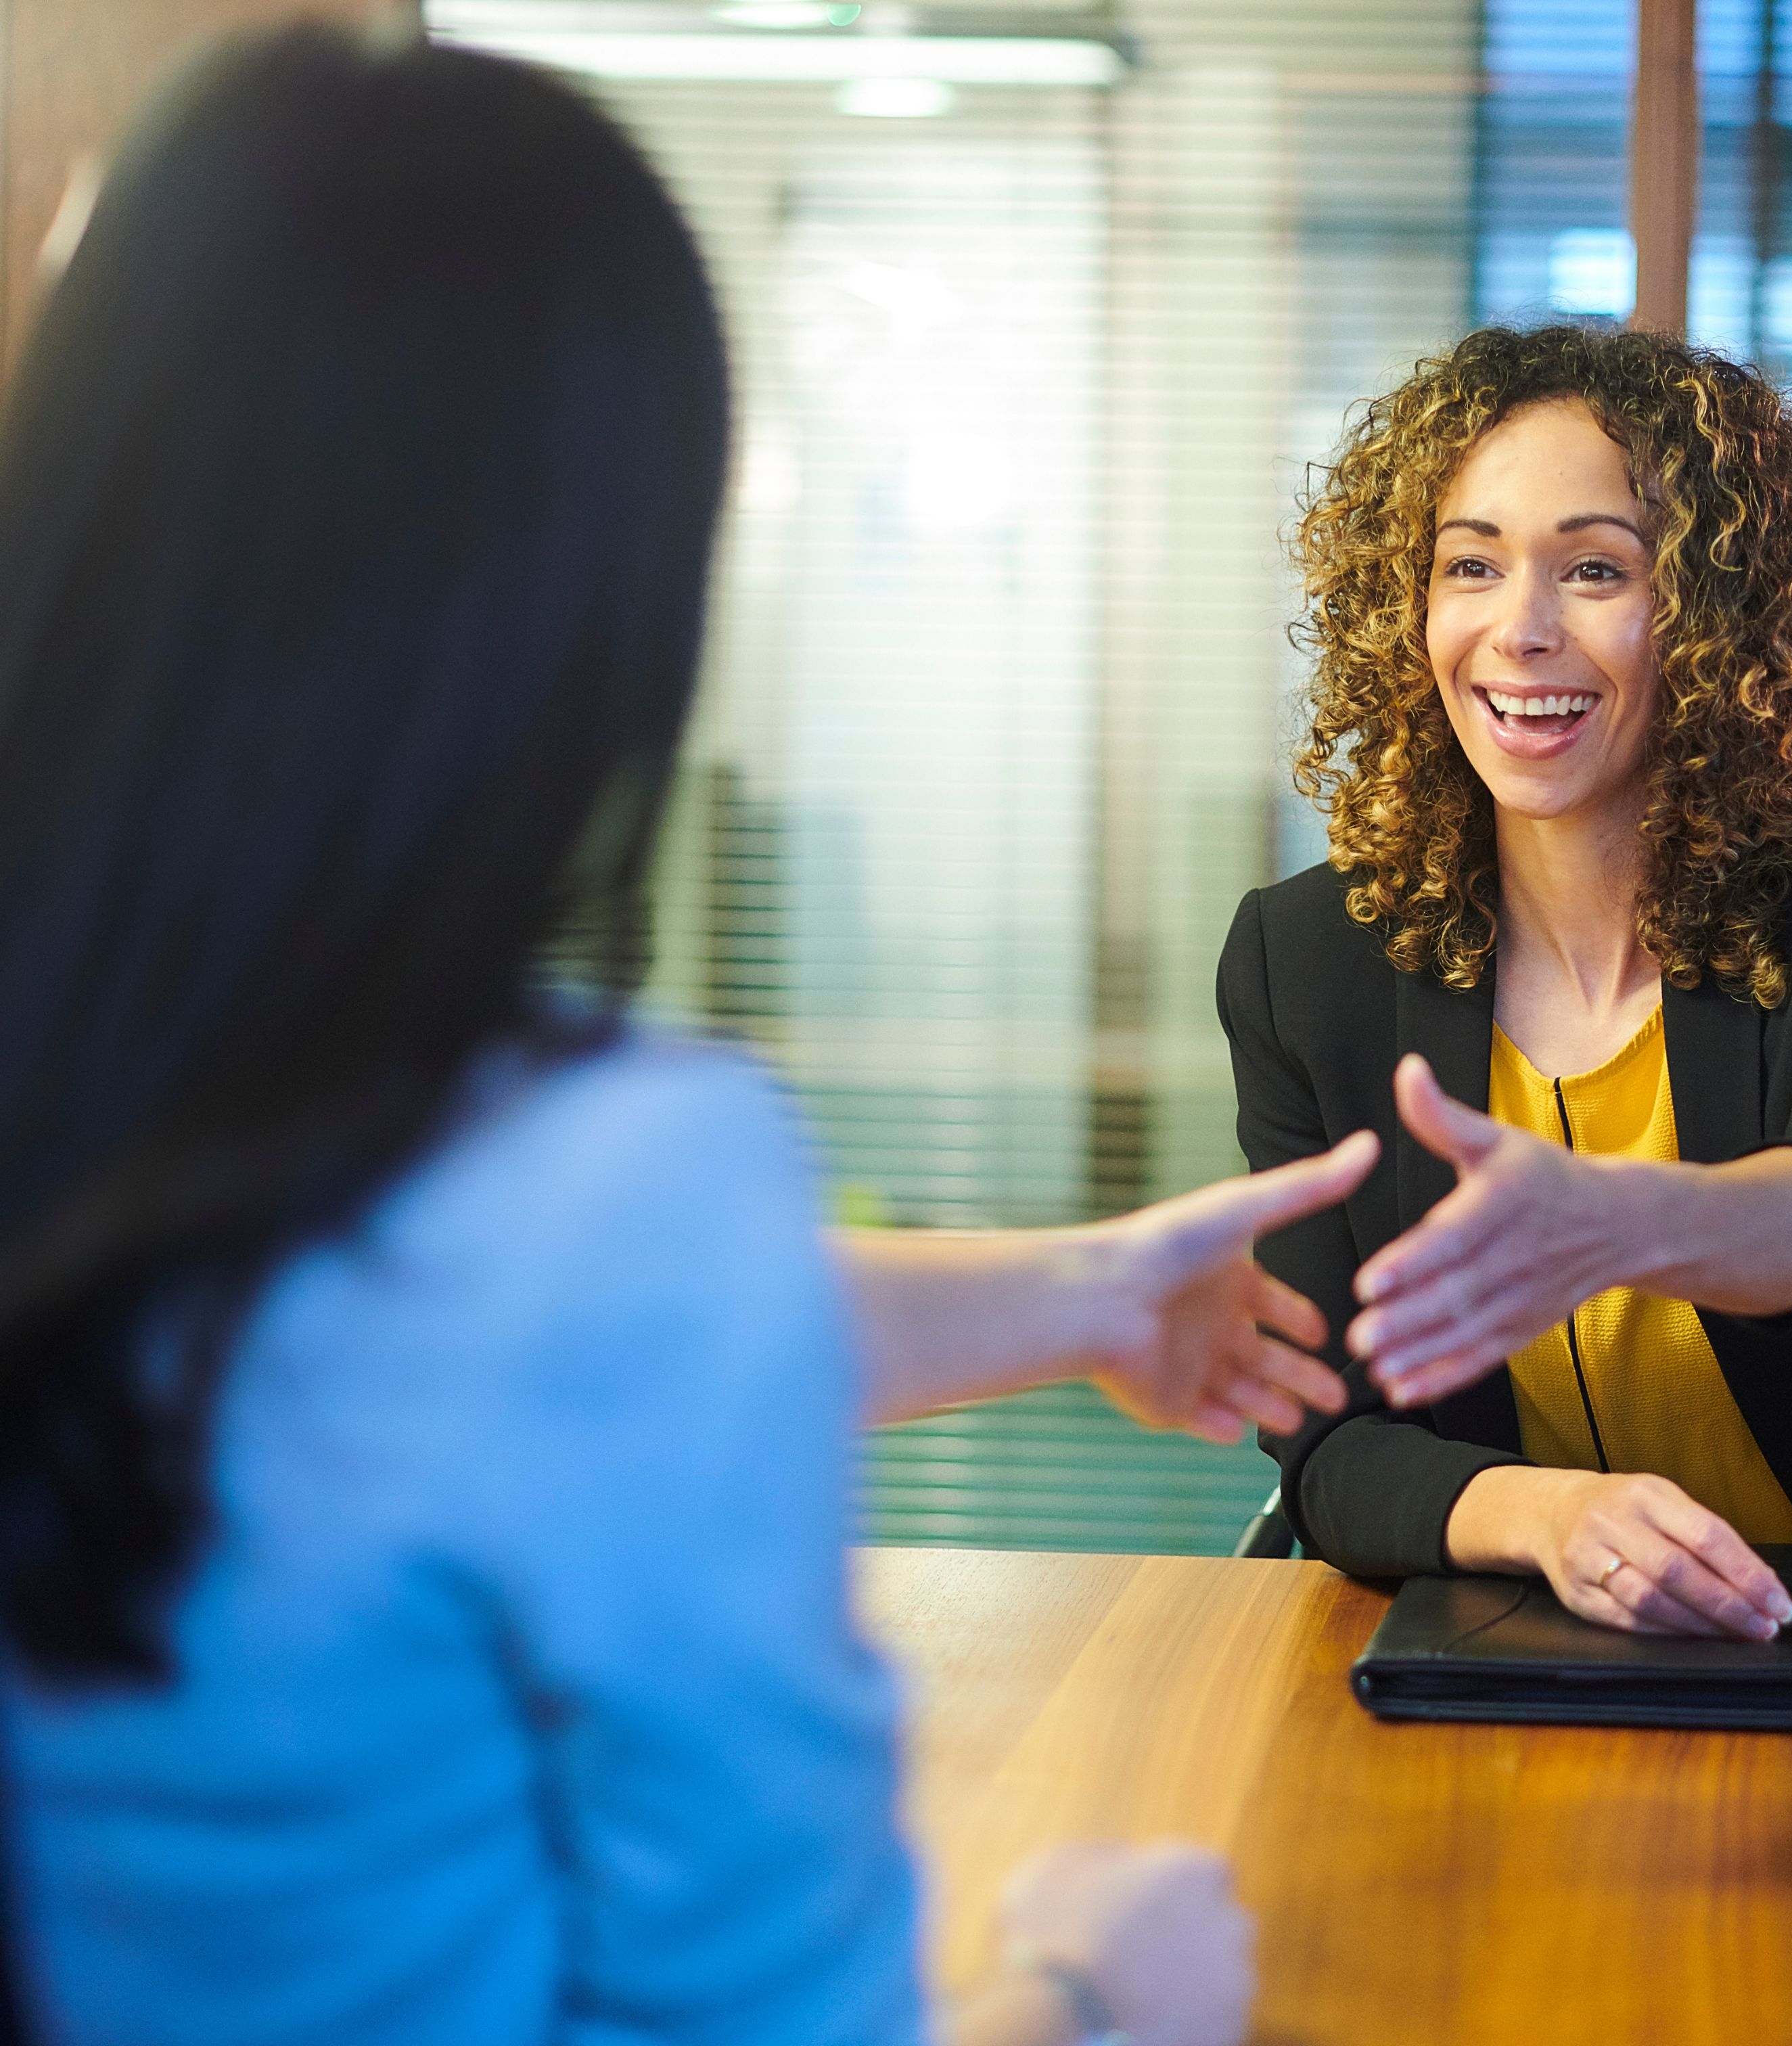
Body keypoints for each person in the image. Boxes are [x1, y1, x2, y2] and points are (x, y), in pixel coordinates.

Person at [0, 28, 1378, 2045]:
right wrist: (1092, 1988)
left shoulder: (138, 1087)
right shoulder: (608, 1185)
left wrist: (1082, 1292)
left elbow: (397, 1333)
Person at [1220, 321, 1792, 1643]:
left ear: (1716, 617)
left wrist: (1626, 1223)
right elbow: (1329, 1445)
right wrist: (1549, 1516)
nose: (1519, 630)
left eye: (1595, 569)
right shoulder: (1308, 960)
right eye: (1470, 566)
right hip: (1531, 1626)